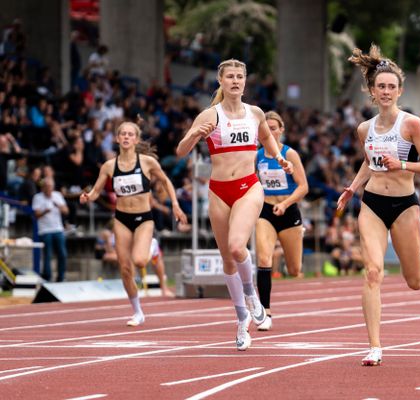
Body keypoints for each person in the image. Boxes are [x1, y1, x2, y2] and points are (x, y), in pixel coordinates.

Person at [176, 59, 293, 351]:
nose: (235, 81)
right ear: (221, 81)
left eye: (240, 76)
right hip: (218, 190)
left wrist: (278, 158)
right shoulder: (210, 115)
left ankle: (252, 296)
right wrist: (193, 135)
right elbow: (180, 152)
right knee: (227, 258)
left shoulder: (255, 114)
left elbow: (267, 139)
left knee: (238, 246)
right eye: (230, 77)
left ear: (245, 81)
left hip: (248, 187)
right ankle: (242, 320)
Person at [337, 45, 420, 367]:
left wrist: (403, 166)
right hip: (373, 203)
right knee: (372, 272)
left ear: (399, 91)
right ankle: (375, 346)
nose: (386, 91)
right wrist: (353, 188)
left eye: (391, 87)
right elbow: (368, 164)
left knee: (415, 282)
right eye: (380, 86)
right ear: (371, 90)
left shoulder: (412, 125)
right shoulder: (364, 129)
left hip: (405, 204)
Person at [80, 119, 187, 327]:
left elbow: (166, 181)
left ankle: (152, 246)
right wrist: (88, 197)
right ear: (118, 139)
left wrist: (175, 204)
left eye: (131, 134)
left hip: (144, 219)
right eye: (123, 134)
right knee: (125, 268)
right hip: (121, 219)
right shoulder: (109, 166)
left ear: (136, 139)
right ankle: (137, 311)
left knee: (139, 261)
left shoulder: (147, 162)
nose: (127, 137)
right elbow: (96, 191)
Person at [255, 111, 308, 331]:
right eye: (266, 129)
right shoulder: (256, 156)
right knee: (264, 259)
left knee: (295, 270)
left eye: (274, 128)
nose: (270, 132)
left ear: (281, 130)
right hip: (265, 211)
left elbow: (304, 186)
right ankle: (265, 312)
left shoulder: (290, 154)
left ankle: (296, 239)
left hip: (288, 212)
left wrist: (285, 204)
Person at [32, 177, 69, 282]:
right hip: (45, 230)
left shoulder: (57, 195)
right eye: (47, 187)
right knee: (47, 255)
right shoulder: (37, 197)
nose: (49, 189)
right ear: (43, 187)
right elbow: (36, 214)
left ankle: (60, 278)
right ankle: (47, 278)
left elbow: (66, 211)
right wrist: (45, 211)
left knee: (63, 254)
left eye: (51, 187)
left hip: (58, 229)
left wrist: (59, 206)